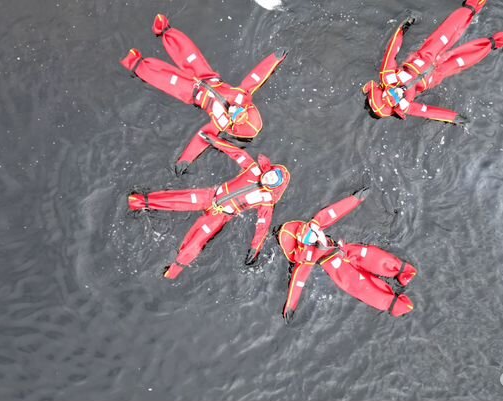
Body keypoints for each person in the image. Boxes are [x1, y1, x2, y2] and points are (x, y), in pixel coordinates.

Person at [121, 14, 287, 174]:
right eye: (240, 111)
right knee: (188, 53)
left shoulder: (219, 124)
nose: (234, 111)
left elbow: (201, 139)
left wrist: (185, 159)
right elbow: (257, 76)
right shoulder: (243, 95)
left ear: (233, 125)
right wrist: (274, 59)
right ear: (246, 108)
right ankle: (165, 31)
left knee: (166, 79)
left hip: (192, 93)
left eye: (235, 116)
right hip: (207, 77)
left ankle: (135, 63)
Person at [128, 136, 290, 279]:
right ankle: (138, 201)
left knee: (197, 241)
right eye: (272, 173)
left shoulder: (266, 200)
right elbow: (236, 153)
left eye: (274, 180)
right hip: (210, 196)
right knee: (178, 199)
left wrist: (255, 248)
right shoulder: (252, 168)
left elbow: (263, 226)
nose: (269, 177)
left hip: (219, 215)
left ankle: (174, 270)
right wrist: (215, 141)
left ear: (274, 186)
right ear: (270, 169)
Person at [362, 0, 503, 125]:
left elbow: (392, 52)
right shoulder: (405, 106)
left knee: (448, 31)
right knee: (463, 59)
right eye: (391, 102)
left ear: (382, 90)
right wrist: (453, 117)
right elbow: (428, 111)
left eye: (388, 96)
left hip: (425, 56)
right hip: (435, 75)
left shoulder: (387, 77)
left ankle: (472, 6)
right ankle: (496, 41)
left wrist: (403, 29)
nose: (394, 96)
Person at [277, 189, 417, 321]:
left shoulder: (317, 225)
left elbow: (334, 212)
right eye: (308, 238)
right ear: (303, 244)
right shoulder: (307, 260)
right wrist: (290, 306)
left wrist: (356, 199)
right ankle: (393, 304)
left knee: (371, 255)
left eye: (311, 232)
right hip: (337, 267)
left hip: (346, 250)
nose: (315, 235)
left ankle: (403, 270)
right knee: (363, 287)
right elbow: (298, 282)